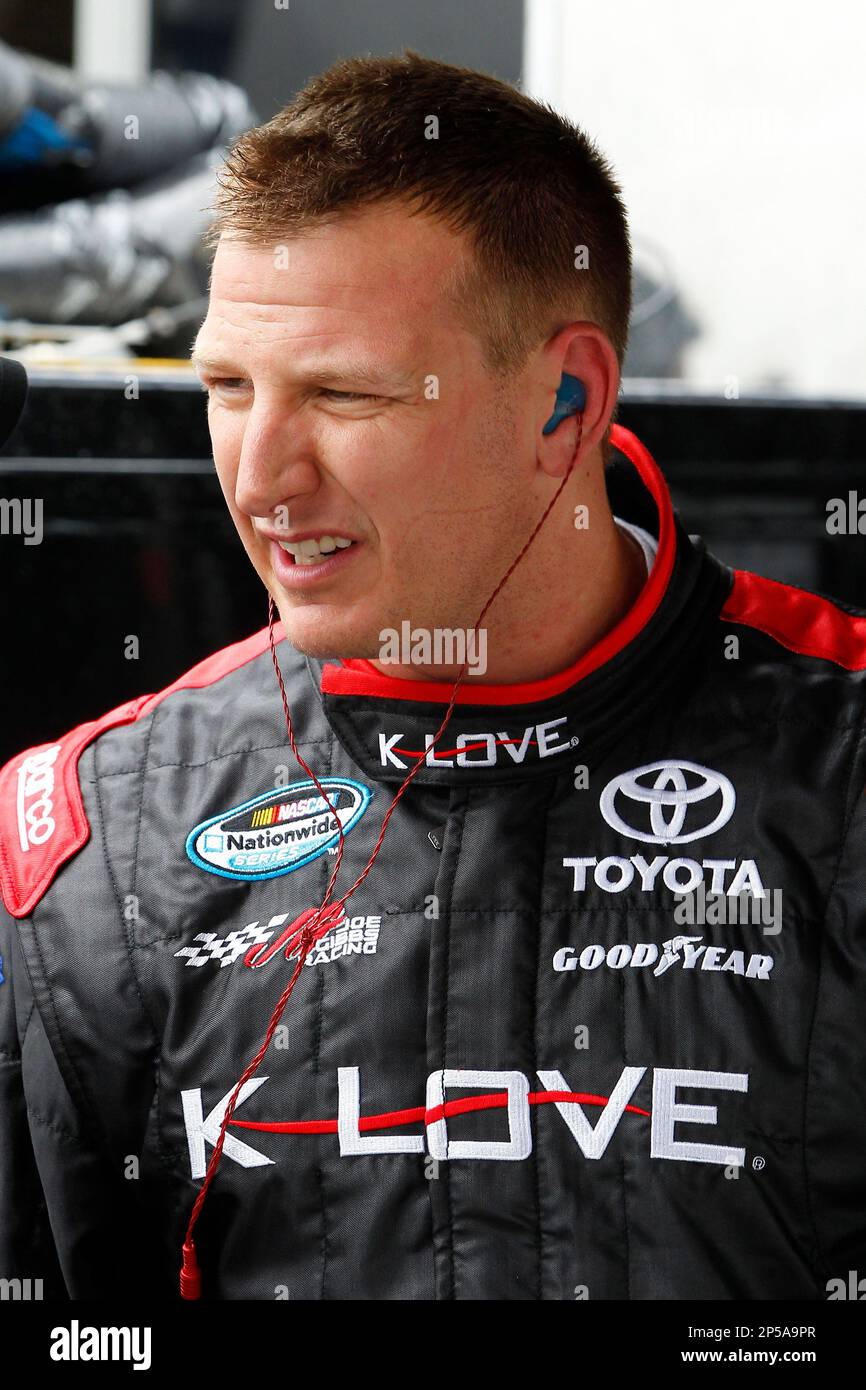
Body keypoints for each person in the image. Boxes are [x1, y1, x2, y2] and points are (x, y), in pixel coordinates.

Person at [1, 50, 864, 1303]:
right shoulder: (95, 844)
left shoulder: (837, 776)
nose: (259, 479)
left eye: (343, 395)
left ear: (564, 401)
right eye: (230, 388)